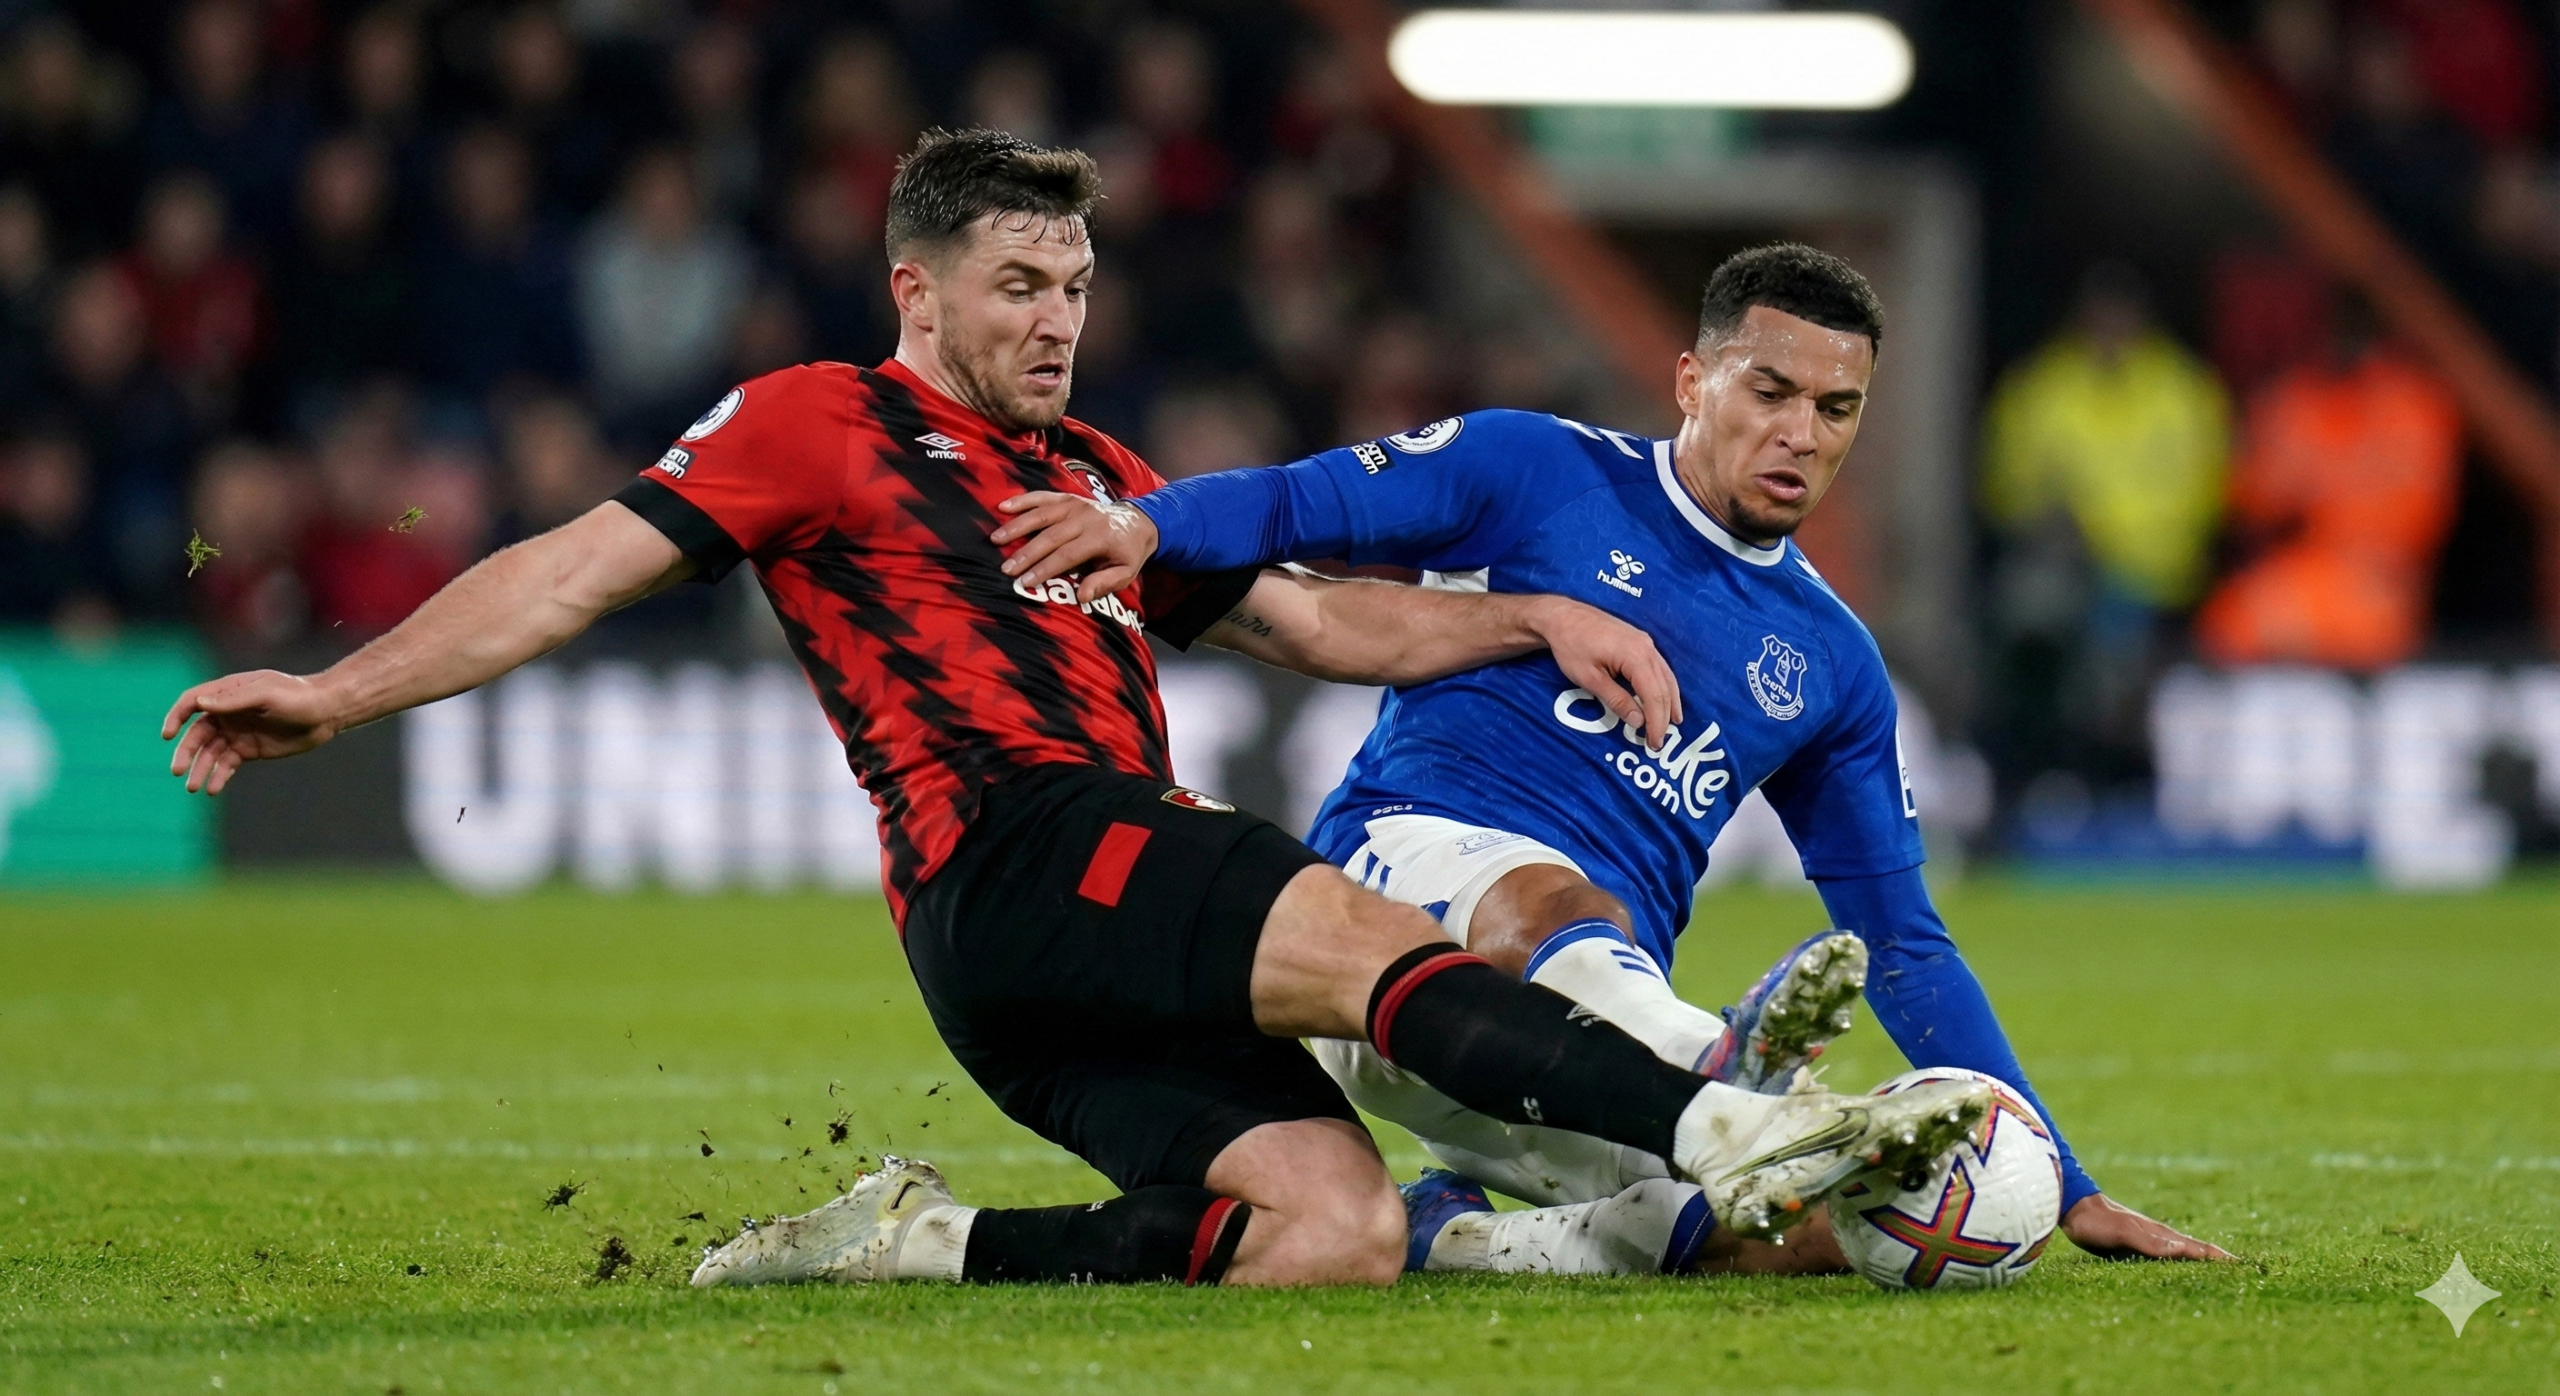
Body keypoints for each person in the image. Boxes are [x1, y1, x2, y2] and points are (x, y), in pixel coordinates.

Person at [160, 129, 1989, 1291]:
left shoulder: (1100, 474)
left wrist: (1527, 615)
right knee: (1357, 931)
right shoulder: (821, 422)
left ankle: (917, 1244)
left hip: (1034, 971)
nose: (1057, 320)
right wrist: (337, 687)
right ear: (918, 290)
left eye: (1079, 286)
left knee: (1331, 1233)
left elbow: (1320, 628)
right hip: (1019, 842)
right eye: (1019, 286)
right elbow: (567, 568)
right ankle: (1720, 1122)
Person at [998, 242, 2232, 1275]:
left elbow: (1903, 937)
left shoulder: (1833, 664)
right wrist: (1143, 521)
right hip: (1391, 918)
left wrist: (2064, 1180)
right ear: (1691, 380)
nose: (1798, 432)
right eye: (1768, 390)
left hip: (1561, 1045)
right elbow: (1293, 503)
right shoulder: (1535, 470)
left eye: (1834, 408)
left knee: (1802, 1233)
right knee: (1554, 899)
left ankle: (1458, 1235)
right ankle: (1711, 1060)